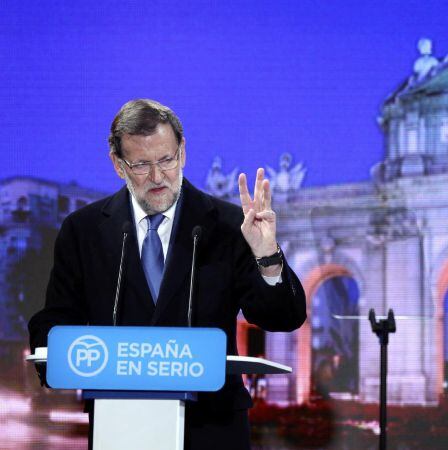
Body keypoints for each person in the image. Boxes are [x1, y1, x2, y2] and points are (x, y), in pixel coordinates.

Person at [27, 99, 306, 450]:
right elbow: (56, 318)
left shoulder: (228, 225)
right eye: (141, 165)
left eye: (166, 160)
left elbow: (283, 317)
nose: (158, 178)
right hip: (120, 425)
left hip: (213, 428)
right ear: (118, 164)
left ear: (183, 152)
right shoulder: (84, 231)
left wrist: (267, 255)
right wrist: (55, 354)